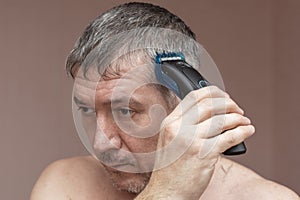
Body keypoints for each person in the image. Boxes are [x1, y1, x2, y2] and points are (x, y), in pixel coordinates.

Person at [30, 2, 299, 200]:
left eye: (126, 111)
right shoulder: (64, 184)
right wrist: (166, 194)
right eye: (87, 109)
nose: (100, 144)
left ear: (185, 101)